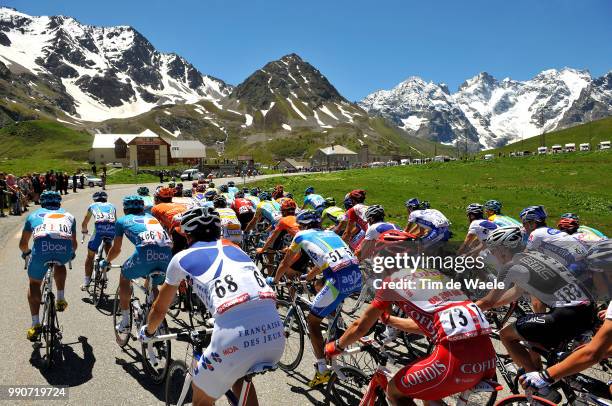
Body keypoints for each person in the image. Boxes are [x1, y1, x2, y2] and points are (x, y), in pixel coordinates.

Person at [140, 206, 284, 405]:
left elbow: (159, 309)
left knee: (202, 401)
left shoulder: (180, 258)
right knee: (239, 375)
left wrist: (148, 332)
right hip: (275, 334)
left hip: (235, 340)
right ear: (219, 231)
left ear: (187, 236)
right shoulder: (236, 249)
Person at [326, 266, 495, 404]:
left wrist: (337, 346)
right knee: (428, 395)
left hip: (453, 361)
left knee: (395, 391)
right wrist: (390, 320)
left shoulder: (391, 282)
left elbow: (360, 327)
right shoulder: (435, 275)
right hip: (487, 359)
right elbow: (428, 326)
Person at [477, 226, 595, 395]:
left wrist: (468, 308)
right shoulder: (536, 257)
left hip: (566, 314)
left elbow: (488, 300)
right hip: (586, 310)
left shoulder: (511, 266)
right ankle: (552, 376)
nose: (493, 256)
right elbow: (514, 293)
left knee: (506, 335)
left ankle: (540, 387)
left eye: (493, 251)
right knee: (533, 338)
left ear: (502, 250)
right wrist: (492, 305)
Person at [272, 210, 362, 387]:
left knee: (312, 321)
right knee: (318, 285)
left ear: (303, 225)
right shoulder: (330, 232)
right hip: (356, 276)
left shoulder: (300, 235)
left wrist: (274, 280)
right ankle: (334, 323)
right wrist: (309, 276)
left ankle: (322, 369)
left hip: (337, 280)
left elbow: (285, 263)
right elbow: (326, 261)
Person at [101, 195, 172, 333]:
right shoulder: (152, 218)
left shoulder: (122, 221)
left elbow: (116, 249)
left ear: (124, 209)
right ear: (142, 207)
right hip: (167, 255)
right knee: (154, 285)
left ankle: (126, 322)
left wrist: (107, 261)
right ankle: (158, 320)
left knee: (124, 276)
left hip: (145, 256)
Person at [19, 191, 77, 341]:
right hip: (63, 251)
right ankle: (61, 298)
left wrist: (26, 252)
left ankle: (35, 324)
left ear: (42, 203)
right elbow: (74, 244)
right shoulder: (70, 216)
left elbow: (23, 244)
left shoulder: (33, 215)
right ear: (59, 203)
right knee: (59, 263)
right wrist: (71, 253)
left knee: (34, 283)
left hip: (41, 251)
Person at [80, 191, 116, 290]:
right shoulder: (112, 206)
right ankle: (108, 262)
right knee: (108, 242)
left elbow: (85, 221)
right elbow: (115, 220)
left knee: (90, 256)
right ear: (106, 199)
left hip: (99, 230)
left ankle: (87, 282)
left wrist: (84, 230)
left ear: (94, 199)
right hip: (111, 229)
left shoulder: (92, 205)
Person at [151, 187, 189, 255]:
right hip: (191, 229)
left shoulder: (155, 208)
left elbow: (154, 227)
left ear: (157, 198)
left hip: (178, 233)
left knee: (173, 255)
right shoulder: (181, 205)